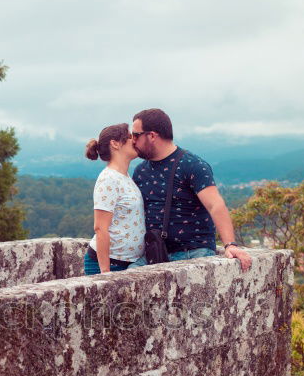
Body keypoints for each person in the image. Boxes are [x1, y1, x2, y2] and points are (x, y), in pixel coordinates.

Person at [131, 108, 252, 272]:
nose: (132, 141)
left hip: (193, 253)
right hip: (156, 253)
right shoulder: (140, 171)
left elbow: (215, 205)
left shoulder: (192, 165)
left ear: (152, 136)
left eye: (136, 135)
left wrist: (230, 245)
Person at [84, 123, 145, 275]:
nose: (135, 140)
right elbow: (100, 228)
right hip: (110, 264)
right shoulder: (108, 179)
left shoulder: (125, 177)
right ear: (115, 143)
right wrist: (105, 272)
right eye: (130, 137)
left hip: (127, 262)